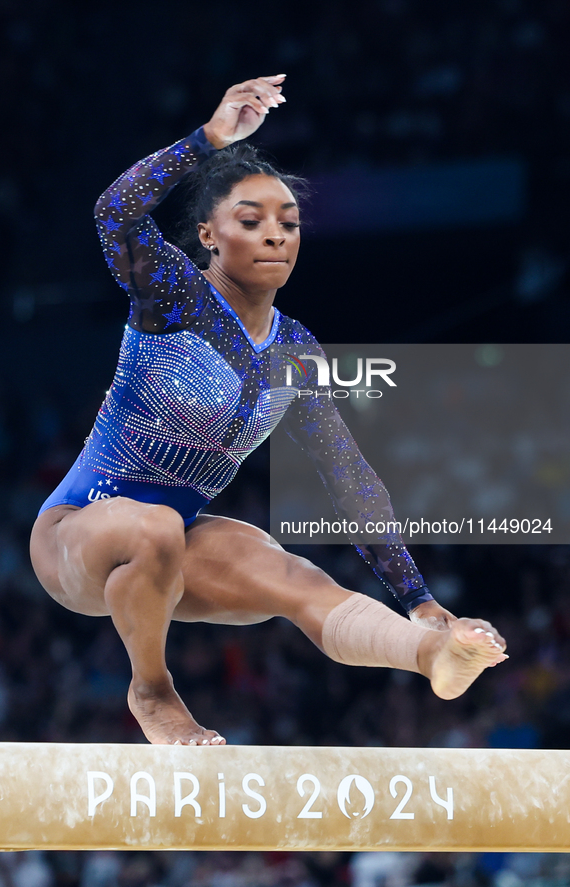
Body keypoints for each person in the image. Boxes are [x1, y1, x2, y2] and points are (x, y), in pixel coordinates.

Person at [30, 75, 506, 746]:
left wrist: (420, 600)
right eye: (250, 221)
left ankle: (430, 654)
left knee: (289, 572)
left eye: (288, 222)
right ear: (208, 234)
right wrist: (209, 139)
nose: (275, 235)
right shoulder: (174, 294)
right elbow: (114, 212)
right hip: (77, 536)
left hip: (171, 554)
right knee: (157, 525)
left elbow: (349, 476)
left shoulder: (295, 351)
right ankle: (153, 690)